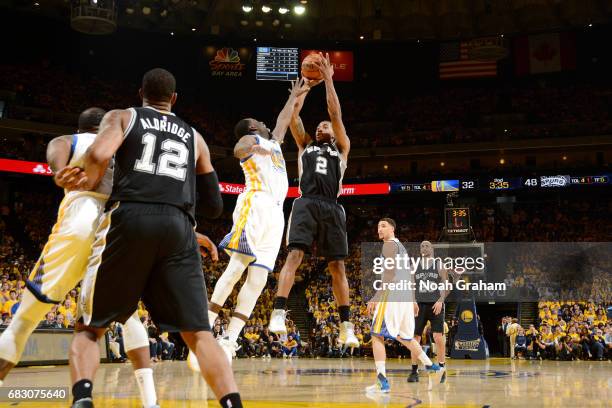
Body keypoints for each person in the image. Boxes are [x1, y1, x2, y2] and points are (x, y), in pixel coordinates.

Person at [67, 68, 241, 408]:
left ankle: (83, 399)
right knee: (199, 334)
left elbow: (100, 155)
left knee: (90, 328)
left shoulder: (123, 117)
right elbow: (216, 205)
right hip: (178, 228)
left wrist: (83, 175)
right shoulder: (194, 136)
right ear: (174, 99)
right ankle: (232, 403)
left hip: (129, 217)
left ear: (140, 93)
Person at [0, 108, 156, 408]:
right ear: (105, 126)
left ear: (81, 125)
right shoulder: (120, 146)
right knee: (128, 314)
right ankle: (150, 402)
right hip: (117, 223)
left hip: (80, 216)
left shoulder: (71, 140)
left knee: (23, 321)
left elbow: (57, 147)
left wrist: (59, 171)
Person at [197, 79, 306, 365]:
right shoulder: (253, 140)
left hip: (275, 214)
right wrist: (252, 147)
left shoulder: (273, 142)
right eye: (259, 121)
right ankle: (205, 330)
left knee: (257, 280)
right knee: (236, 268)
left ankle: (229, 339)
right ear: (254, 128)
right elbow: (238, 148)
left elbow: (282, 121)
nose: (264, 122)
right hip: (254, 204)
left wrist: (295, 96)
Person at [269, 53, 359, 348]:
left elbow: (335, 114)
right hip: (306, 202)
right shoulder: (305, 144)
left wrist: (330, 79)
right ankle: (279, 313)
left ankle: (346, 325)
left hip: (332, 206)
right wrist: (305, 86)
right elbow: (293, 116)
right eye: (319, 126)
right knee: (294, 256)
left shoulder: (342, 148)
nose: (322, 127)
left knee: (338, 267)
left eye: (325, 127)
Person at [365, 218, 443, 394]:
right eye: (378, 226)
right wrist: (413, 300)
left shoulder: (389, 245)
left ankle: (382, 381)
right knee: (405, 337)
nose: (379, 229)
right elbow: (409, 275)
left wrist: (376, 296)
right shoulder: (402, 247)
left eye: (383, 226)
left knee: (376, 335)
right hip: (405, 298)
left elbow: (390, 274)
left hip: (392, 296)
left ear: (393, 229)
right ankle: (433, 368)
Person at [408, 240, 450, 383]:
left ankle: (442, 368)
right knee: (415, 338)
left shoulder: (439, 264)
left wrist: (440, 301)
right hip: (419, 304)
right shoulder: (415, 265)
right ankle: (414, 370)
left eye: (427, 245)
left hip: (435, 304)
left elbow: (446, 285)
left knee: (438, 337)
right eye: (422, 246)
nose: (424, 247)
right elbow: (412, 286)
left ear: (432, 249)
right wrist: (413, 302)